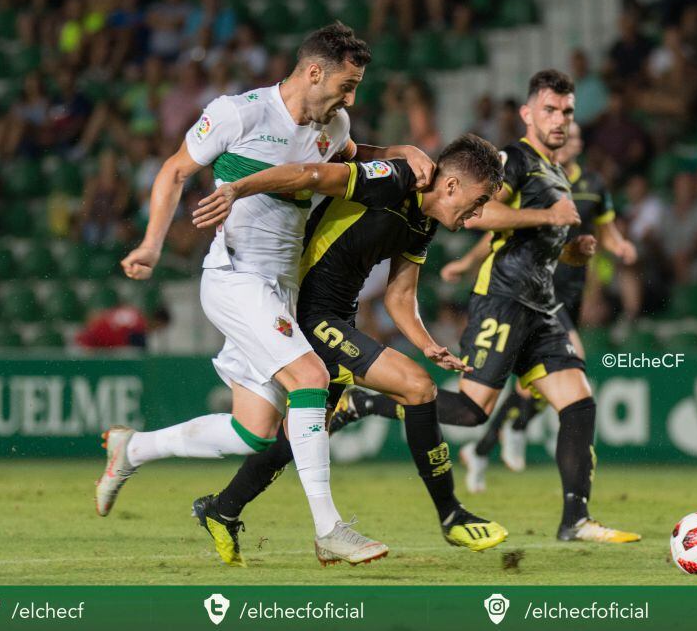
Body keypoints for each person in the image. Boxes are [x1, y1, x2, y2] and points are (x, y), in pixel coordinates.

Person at [95, 22, 434, 567]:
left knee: (251, 433)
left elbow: (351, 154)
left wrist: (401, 149)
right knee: (312, 379)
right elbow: (175, 170)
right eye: (346, 85)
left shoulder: (334, 123)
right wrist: (152, 243)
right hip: (235, 276)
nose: (351, 98)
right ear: (313, 71)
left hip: (279, 289)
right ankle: (329, 529)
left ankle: (132, 449)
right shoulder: (240, 112)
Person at [329, 71, 642, 544]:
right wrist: (547, 217)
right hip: (503, 297)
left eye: (567, 112)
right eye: (550, 110)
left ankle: (575, 520)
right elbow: (481, 215)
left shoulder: (556, 171)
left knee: (578, 401)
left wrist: (570, 249)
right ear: (528, 113)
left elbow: (531, 234)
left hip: (542, 302)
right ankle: (366, 400)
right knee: (472, 411)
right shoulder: (513, 160)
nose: (559, 120)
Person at [187, 134, 508, 565]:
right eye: (480, 199)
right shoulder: (393, 180)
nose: (479, 214)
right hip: (306, 310)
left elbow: (400, 296)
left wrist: (427, 344)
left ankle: (221, 510)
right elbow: (313, 174)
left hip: (338, 316)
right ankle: (451, 514)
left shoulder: (424, 222)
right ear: (452, 186)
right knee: (417, 387)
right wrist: (237, 188)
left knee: (298, 435)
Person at [438, 121, 636, 488]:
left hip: (567, 289)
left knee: (534, 386)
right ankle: (515, 426)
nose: (567, 140)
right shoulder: (534, 179)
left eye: (575, 136)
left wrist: (617, 246)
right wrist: (468, 263)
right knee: (567, 369)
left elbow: (607, 230)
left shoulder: (591, 185)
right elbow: (500, 229)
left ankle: (486, 446)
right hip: (532, 293)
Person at [76, 304, 170, 349]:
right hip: (93, 344)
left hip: (86, 339)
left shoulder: (134, 312)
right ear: (158, 322)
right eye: (160, 327)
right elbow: (140, 352)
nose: (157, 330)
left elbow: (95, 316)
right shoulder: (140, 327)